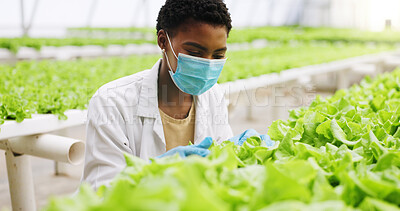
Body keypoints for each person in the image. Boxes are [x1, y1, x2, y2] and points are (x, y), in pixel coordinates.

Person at [82, 0, 271, 190]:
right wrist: (155, 172)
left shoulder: (213, 96)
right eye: (195, 52)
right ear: (163, 41)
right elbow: (101, 189)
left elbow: (220, 169)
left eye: (218, 55)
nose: (207, 64)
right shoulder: (112, 102)